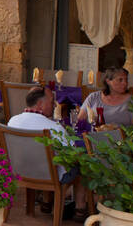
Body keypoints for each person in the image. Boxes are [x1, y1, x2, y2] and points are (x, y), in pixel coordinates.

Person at [8, 85, 88, 219]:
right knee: (82, 161)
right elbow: (72, 153)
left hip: (21, 172)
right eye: (51, 102)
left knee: (47, 160)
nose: (55, 105)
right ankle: (80, 208)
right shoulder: (53, 127)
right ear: (40, 105)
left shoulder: (13, 121)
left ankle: (46, 201)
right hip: (50, 177)